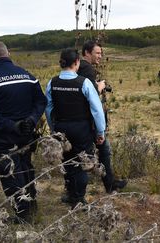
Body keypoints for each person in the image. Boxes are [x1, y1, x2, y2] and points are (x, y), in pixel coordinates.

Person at [0, 41, 46, 223]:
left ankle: (23, 216)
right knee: (26, 166)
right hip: (27, 133)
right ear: (8, 54)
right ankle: (31, 203)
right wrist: (31, 120)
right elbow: (41, 101)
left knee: (9, 172)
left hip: (2, 136)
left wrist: (12, 125)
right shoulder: (27, 75)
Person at [45, 48, 106, 209]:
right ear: (77, 62)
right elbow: (96, 109)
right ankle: (78, 200)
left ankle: (71, 194)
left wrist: (53, 129)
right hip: (81, 128)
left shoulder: (52, 82)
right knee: (81, 162)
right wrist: (100, 131)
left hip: (61, 127)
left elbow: (49, 108)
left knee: (67, 161)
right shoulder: (84, 83)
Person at [76, 40, 127, 194]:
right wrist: (101, 85)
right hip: (88, 119)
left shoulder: (79, 68)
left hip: (79, 119)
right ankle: (107, 185)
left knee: (95, 152)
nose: (100, 56)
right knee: (100, 151)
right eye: (97, 53)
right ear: (86, 53)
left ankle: (108, 183)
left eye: (100, 53)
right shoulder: (87, 68)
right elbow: (92, 94)